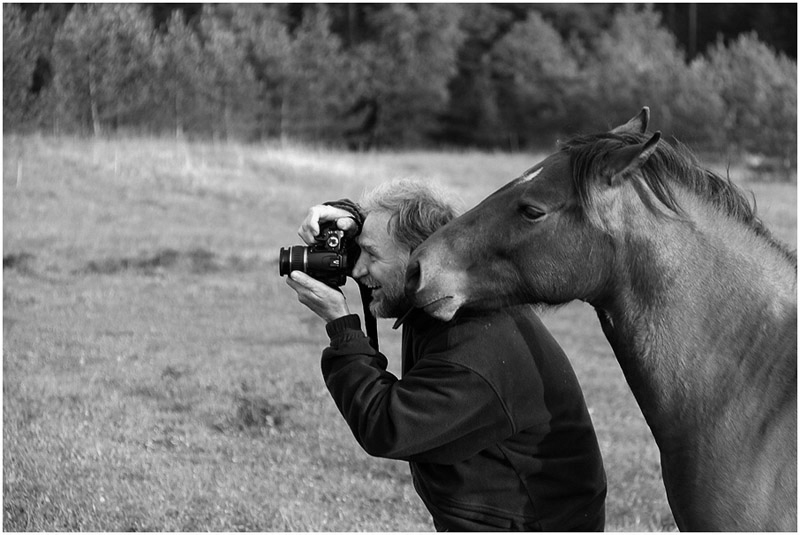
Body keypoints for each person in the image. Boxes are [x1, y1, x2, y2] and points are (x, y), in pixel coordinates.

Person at [285, 179, 607, 531]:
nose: (358, 270)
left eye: (371, 255)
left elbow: (386, 425)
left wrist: (343, 328)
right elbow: (389, 233)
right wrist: (347, 218)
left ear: (421, 255)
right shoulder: (450, 289)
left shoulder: (471, 352)